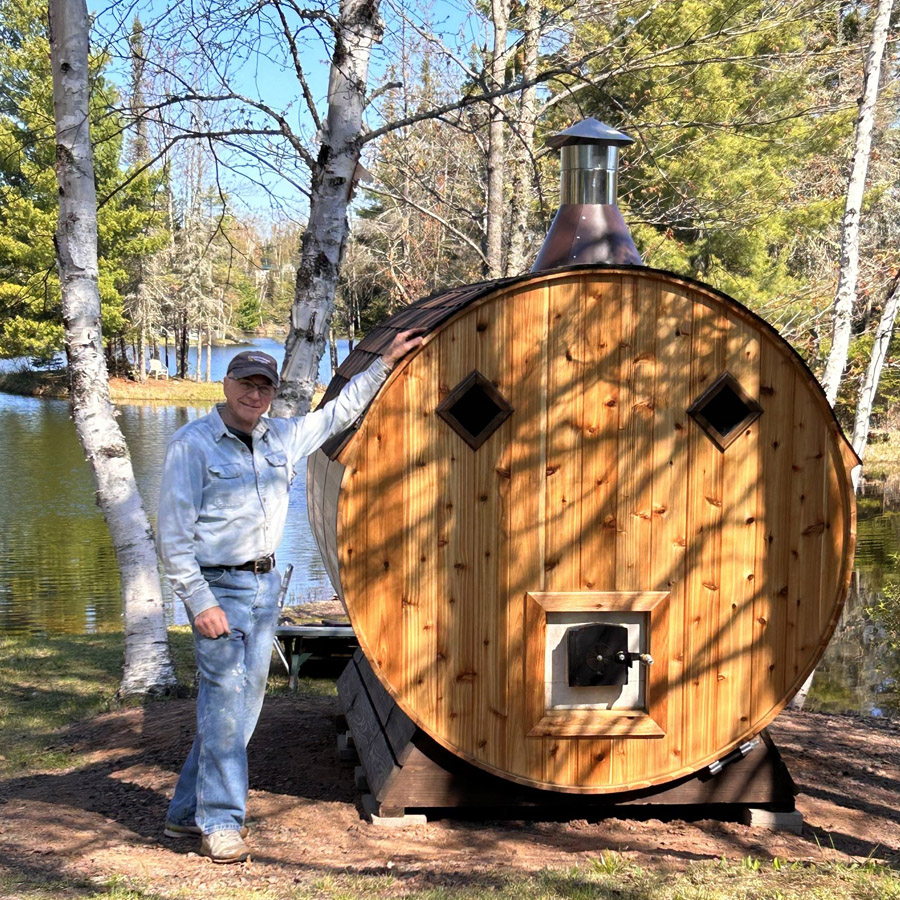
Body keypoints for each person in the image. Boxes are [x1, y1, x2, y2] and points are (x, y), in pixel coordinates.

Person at [157, 331, 422, 863]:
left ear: (273, 393)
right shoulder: (193, 445)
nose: (254, 394)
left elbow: (339, 413)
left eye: (264, 386)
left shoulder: (282, 438)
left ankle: (185, 813)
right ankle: (221, 822)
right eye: (246, 384)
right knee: (226, 711)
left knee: (240, 712)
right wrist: (199, 602)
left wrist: (383, 363)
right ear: (226, 384)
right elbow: (172, 537)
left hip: (264, 588)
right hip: (219, 590)